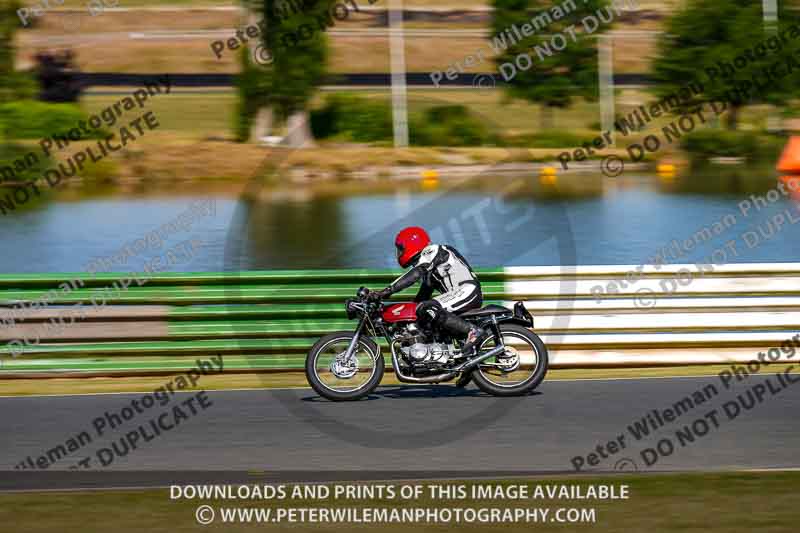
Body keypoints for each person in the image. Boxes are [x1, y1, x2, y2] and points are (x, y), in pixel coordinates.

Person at [372, 226, 488, 357]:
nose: (399, 253)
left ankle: (473, 331)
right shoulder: (430, 268)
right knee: (423, 310)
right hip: (459, 294)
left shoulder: (433, 251)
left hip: (466, 290)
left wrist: (386, 292)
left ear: (411, 245)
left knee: (427, 307)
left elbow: (415, 274)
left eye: (401, 249)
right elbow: (421, 298)